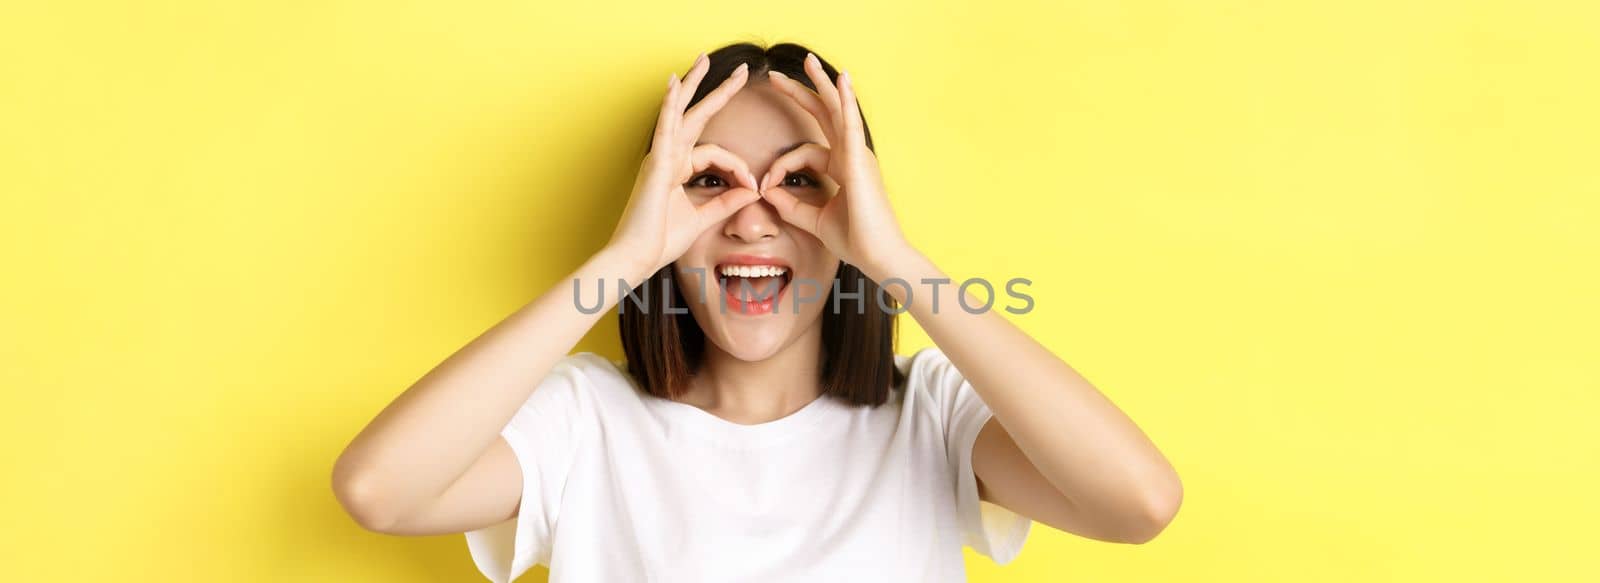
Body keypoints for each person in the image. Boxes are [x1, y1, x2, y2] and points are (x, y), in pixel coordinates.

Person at [331, 41, 1183, 582]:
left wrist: (893, 262)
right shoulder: (586, 420)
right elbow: (378, 489)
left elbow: (1139, 502)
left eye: (801, 181)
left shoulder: (930, 415)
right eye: (709, 180)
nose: (752, 215)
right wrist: (623, 262)